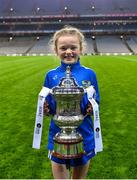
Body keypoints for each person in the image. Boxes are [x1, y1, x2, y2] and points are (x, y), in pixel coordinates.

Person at [43, 26, 100, 179]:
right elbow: (46, 100)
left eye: (73, 47)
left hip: (84, 131)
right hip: (58, 130)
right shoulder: (51, 75)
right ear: (56, 50)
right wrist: (45, 108)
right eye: (63, 48)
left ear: (81, 49)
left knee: (78, 177)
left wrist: (91, 107)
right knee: (59, 170)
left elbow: (97, 100)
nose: (68, 51)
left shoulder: (89, 73)